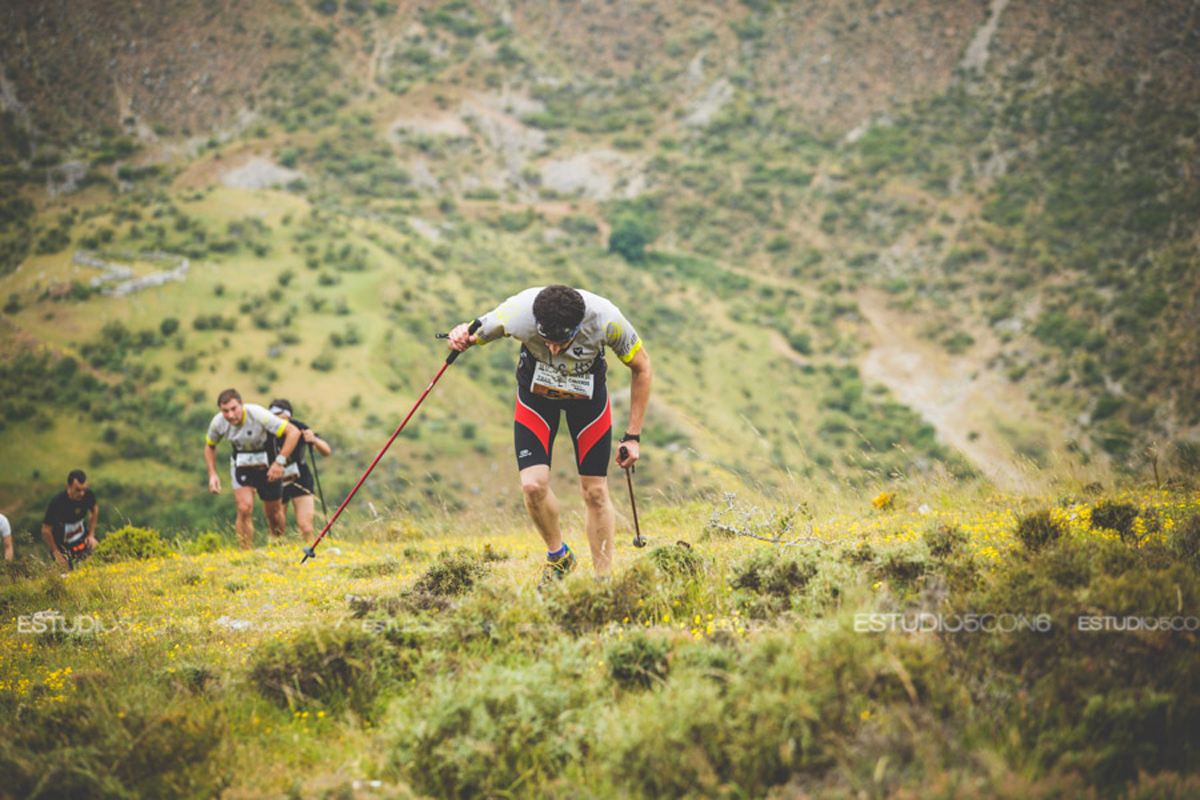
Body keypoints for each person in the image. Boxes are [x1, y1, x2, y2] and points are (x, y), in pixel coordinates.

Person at [446, 284, 651, 586]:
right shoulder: (517, 312)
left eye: (563, 342)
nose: (554, 350)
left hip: (587, 401)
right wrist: (460, 334)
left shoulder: (607, 319)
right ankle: (560, 557)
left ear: (579, 327)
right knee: (532, 486)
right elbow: (473, 331)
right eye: (547, 342)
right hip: (536, 398)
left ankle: (602, 582)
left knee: (595, 491)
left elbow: (642, 368)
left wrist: (632, 435)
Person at [204, 388, 302, 549]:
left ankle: (278, 545)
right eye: (225, 411)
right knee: (244, 508)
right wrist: (212, 473)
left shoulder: (258, 414)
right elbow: (210, 446)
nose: (230, 415)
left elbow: (293, 432)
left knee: (274, 514)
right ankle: (245, 553)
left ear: (242, 404)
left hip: (269, 465)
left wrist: (280, 462)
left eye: (234, 409)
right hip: (242, 465)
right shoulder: (218, 422)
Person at [266, 399, 333, 547]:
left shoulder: (299, 428)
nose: (275, 419)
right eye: (272, 415)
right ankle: (278, 554)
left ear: (288, 416)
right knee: (277, 528)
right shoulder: (266, 430)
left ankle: (310, 552)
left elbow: (326, 451)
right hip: (276, 478)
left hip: (300, 477)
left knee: (306, 527)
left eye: (279, 414)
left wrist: (313, 439)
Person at [41, 470, 99, 569]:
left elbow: (95, 510)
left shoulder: (88, 495)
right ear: (68, 486)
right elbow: (45, 530)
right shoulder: (57, 503)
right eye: (77, 490)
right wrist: (56, 552)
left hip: (82, 541)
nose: (81, 493)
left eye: (84, 489)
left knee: (99, 558)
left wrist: (91, 535)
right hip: (62, 547)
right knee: (67, 576)